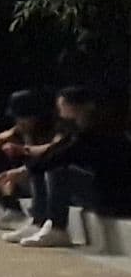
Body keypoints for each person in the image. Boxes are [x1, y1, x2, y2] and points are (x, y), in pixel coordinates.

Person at [14, 83, 131, 248]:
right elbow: (58, 149)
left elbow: (66, 154)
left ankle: (57, 228)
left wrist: (27, 170)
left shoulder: (99, 130)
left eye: (65, 103)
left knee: (57, 169)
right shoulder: (79, 128)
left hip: (115, 198)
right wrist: (25, 168)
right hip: (104, 191)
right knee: (44, 165)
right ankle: (39, 221)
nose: (60, 107)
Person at [0, 89, 60, 231]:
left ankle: (38, 219)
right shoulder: (20, 130)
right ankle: (13, 210)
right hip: (27, 181)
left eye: (24, 118)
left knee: (37, 164)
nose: (19, 122)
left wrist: (22, 151)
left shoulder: (52, 129)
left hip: (50, 182)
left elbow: (50, 153)